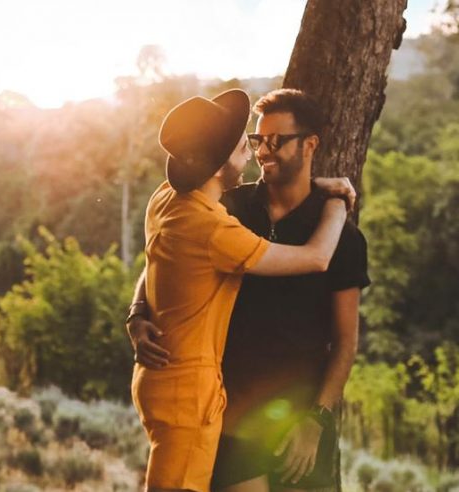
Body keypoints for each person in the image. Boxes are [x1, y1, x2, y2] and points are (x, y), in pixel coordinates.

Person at [129, 89, 370, 492]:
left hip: (299, 424)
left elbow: (345, 343)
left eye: (275, 141)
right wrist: (137, 313)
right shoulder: (224, 210)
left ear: (310, 144)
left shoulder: (343, 239)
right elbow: (165, 258)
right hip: (231, 417)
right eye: (256, 141)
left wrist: (317, 420)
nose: (261, 151)